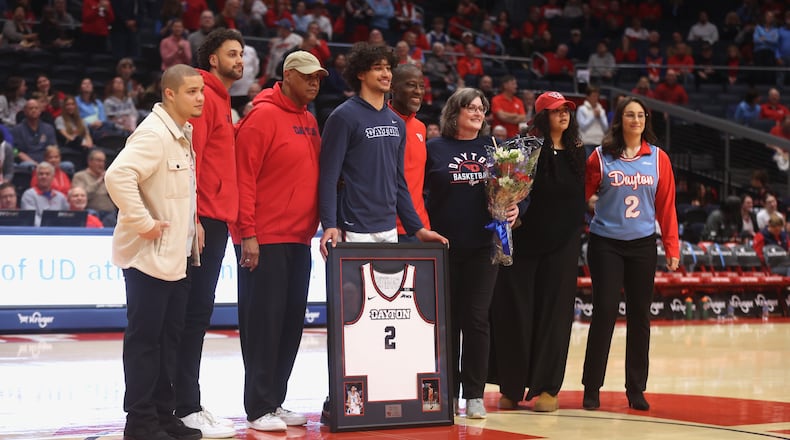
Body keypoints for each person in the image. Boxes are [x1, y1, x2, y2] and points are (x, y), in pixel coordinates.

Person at [105, 64, 205, 440]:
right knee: (146, 341)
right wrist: (144, 222)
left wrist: (191, 222)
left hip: (177, 256)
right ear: (170, 94)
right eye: (192, 91)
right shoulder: (152, 134)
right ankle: (141, 421)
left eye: (201, 91)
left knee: (169, 339)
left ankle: (164, 415)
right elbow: (117, 176)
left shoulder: (181, 132)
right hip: (148, 256)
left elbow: (173, 189)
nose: (200, 98)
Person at [230, 49, 325, 432]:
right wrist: (247, 234)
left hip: (299, 239)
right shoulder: (262, 117)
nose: (314, 83)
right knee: (263, 324)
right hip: (264, 239)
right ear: (287, 76)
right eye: (307, 77)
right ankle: (258, 406)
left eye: (318, 78)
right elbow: (244, 178)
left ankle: (275, 399)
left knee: (289, 324)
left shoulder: (310, 121)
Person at [582, 96, 680, 412]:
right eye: (629, 115)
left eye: (640, 115)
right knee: (605, 312)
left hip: (642, 246)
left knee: (640, 318)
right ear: (619, 120)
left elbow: (666, 207)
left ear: (645, 120)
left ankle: (636, 389)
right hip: (605, 244)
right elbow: (579, 198)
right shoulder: (600, 156)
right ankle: (591, 387)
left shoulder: (658, 158)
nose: (635, 120)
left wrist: (671, 247)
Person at [424, 87, 517, 419]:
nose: (478, 113)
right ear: (454, 113)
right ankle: (446, 393)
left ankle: (474, 394)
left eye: (481, 108)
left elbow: (516, 188)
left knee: (477, 320)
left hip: (483, 248)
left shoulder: (494, 148)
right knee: (446, 323)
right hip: (442, 248)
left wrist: (515, 209)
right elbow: (417, 193)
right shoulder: (433, 149)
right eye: (471, 108)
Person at [491, 91, 585, 413]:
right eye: (557, 111)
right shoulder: (522, 148)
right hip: (524, 241)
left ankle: (547, 388)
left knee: (555, 317)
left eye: (567, 111)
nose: (563, 116)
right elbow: (507, 189)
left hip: (564, 245)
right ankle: (512, 387)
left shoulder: (577, 152)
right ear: (543, 115)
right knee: (515, 312)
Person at [173, 29, 244, 439]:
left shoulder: (220, 98)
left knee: (196, 314)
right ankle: (185, 405)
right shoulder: (201, 94)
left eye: (242, 54)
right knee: (192, 315)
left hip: (216, 218)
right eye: (232, 53)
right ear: (212, 59)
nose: (240, 60)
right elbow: (189, 158)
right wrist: (196, 215)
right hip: (203, 219)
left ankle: (187, 402)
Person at [318, 42, 447, 259]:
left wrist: (417, 229)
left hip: (389, 228)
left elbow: (399, 182)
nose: (386, 73)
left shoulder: (396, 123)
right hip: (354, 226)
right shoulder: (343, 117)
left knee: (386, 293)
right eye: (378, 68)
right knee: (355, 293)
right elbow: (328, 177)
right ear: (360, 73)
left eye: (388, 68)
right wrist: (330, 223)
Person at [389, 63, 431, 242]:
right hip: (388, 228)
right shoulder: (380, 124)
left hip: (420, 227)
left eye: (421, 86)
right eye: (411, 85)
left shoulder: (420, 128)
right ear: (392, 88)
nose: (418, 91)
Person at [72, 149, 117, 226]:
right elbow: (81, 196)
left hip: (110, 214)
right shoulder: (80, 176)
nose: (101, 164)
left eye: (103, 161)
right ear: (90, 161)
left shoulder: (108, 177)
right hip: (91, 213)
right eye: (98, 161)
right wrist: (99, 181)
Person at [11, 99, 58, 168]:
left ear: (40, 111)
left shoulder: (49, 128)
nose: (34, 110)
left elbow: (53, 148)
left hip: (47, 162)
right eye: (31, 108)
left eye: (36, 108)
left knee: (67, 166)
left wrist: (47, 164)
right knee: (29, 166)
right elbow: (14, 151)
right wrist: (30, 162)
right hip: (27, 163)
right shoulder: (16, 130)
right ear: (25, 111)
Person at [21, 161, 69, 226]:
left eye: (47, 174)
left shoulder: (61, 197)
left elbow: (66, 217)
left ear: (53, 177)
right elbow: (32, 218)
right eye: (41, 174)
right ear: (36, 176)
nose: (44, 176)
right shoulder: (28, 195)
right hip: (37, 233)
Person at [490, 75, 527, 139]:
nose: (516, 86)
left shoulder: (519, 101)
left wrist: (506, 116)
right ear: (505, 85)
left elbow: (523, 118)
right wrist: (515, 115)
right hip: (500, 136)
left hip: (514, 136)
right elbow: (501, 116)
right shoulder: (496, 99)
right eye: (513, 84)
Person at [577, 85, 608, 158]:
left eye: (597, 96)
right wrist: (593, 116)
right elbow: (583, 126)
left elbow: (605, 128)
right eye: (593, 96)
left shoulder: (601, 110)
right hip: (587, 142)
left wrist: (600, 117)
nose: (595, 98)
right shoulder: (581, 109)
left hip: (599, 142)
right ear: (587, 97)